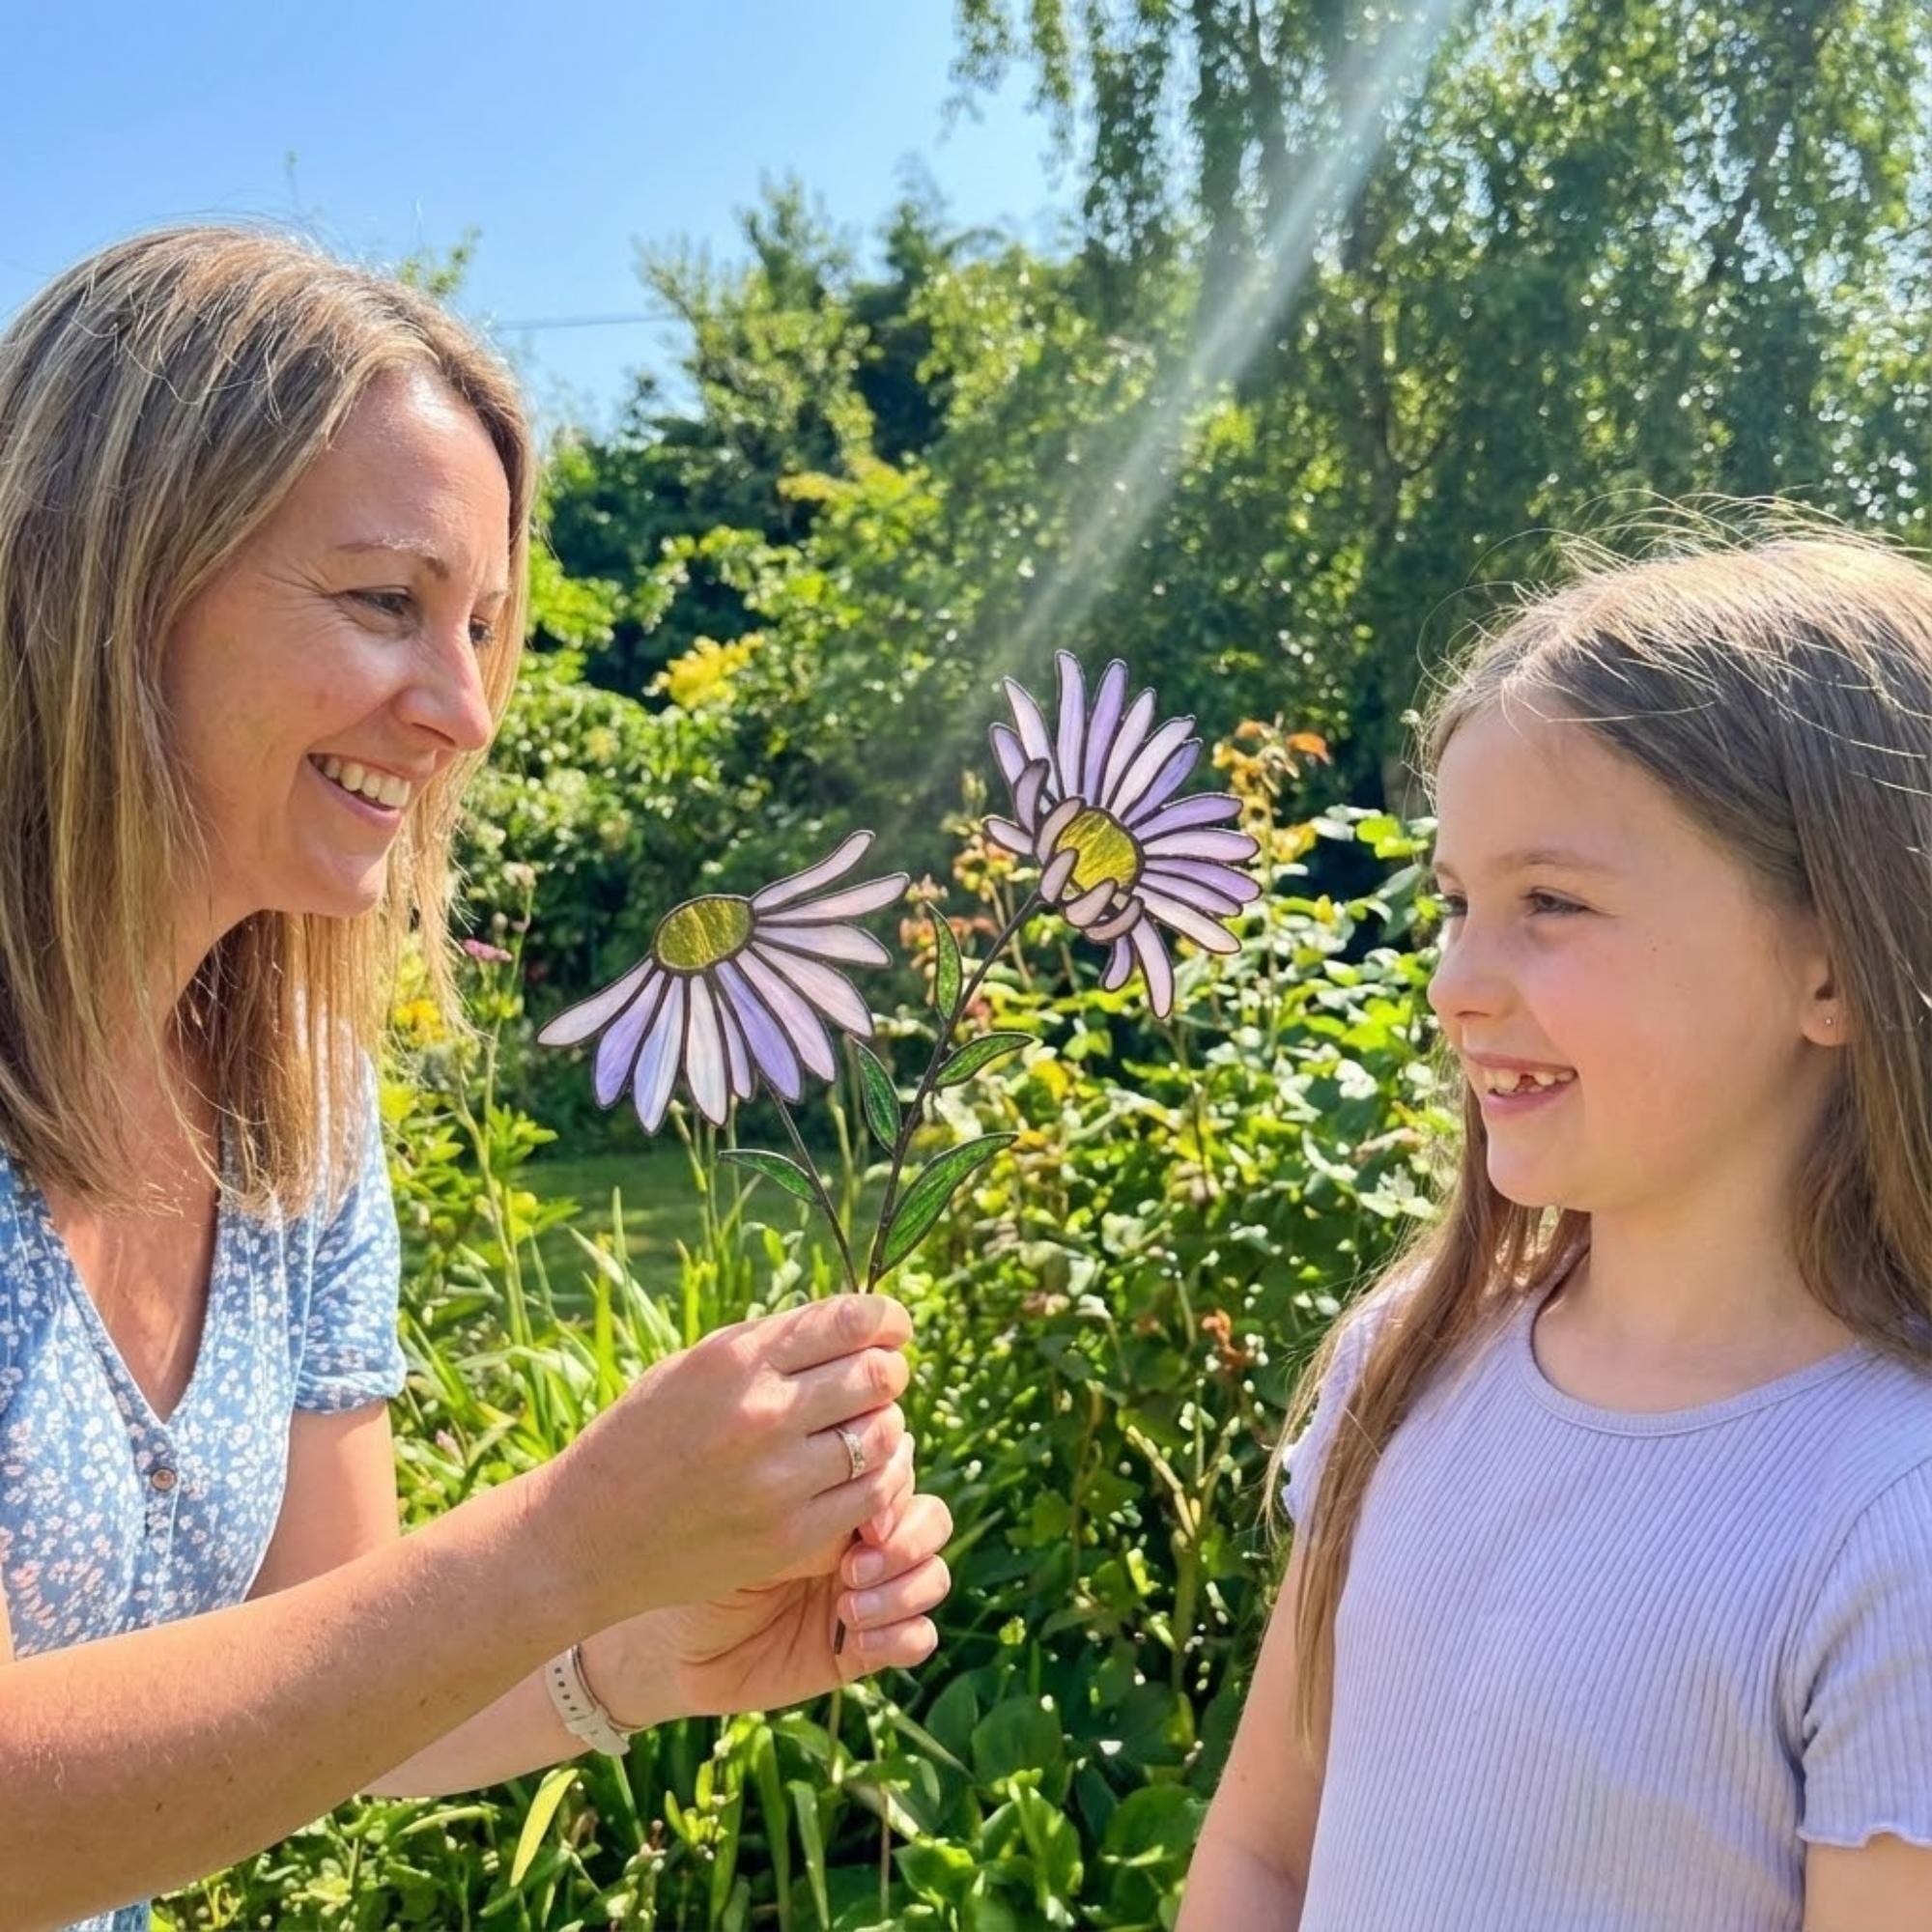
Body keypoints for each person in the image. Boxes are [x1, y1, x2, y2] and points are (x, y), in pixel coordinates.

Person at [0, 224, 952, 1932]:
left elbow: (331, 1662)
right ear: (104, 576)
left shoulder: (292, 1104)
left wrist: (639, 1648)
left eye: (487, 626)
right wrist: (560, 1544)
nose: (464, 710)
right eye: (385, 603)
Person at [1180, 524, 1932, 1931]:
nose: (1457, 981)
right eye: (1456, 902)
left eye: (1551, 903)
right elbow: (1263, 1856)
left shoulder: (1894, 1521)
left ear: (1834, 964)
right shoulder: (1406, 1364)